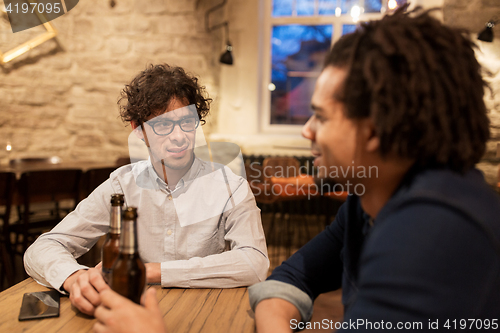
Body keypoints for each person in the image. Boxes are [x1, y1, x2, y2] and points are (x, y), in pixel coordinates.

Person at [248, 6, 500, 333]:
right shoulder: (365, 204)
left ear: (375, 130)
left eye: (321, 117)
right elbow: (293, 276)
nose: (307, 131)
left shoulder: (436, 225)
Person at [24, 64, 269, 316]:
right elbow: (43, 248)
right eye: (163, 125)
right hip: (135, 315)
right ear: (138, 129)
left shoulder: (230, 185)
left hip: (207, 313)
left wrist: (150, 270)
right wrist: (75, 278)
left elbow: (254, 262)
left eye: (187, 122)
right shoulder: (122, 185)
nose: (179, 136)